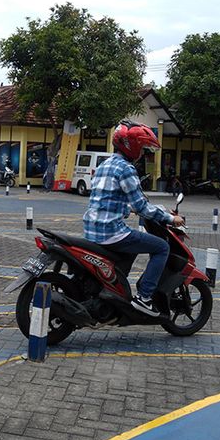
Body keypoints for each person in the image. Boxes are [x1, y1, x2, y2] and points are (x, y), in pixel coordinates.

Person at [83, 121, 184, 317]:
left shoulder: (105, 165)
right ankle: (144, 298)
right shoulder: (126, 169)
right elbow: (142, 206)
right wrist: (171, 219)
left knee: (135, 244)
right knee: (162, 247)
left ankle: (115, 290)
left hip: (92, 230)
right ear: (133, 146)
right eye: (143, 148)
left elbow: (109, 198)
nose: (143, 153)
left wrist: (128, 209)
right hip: (111, 233)